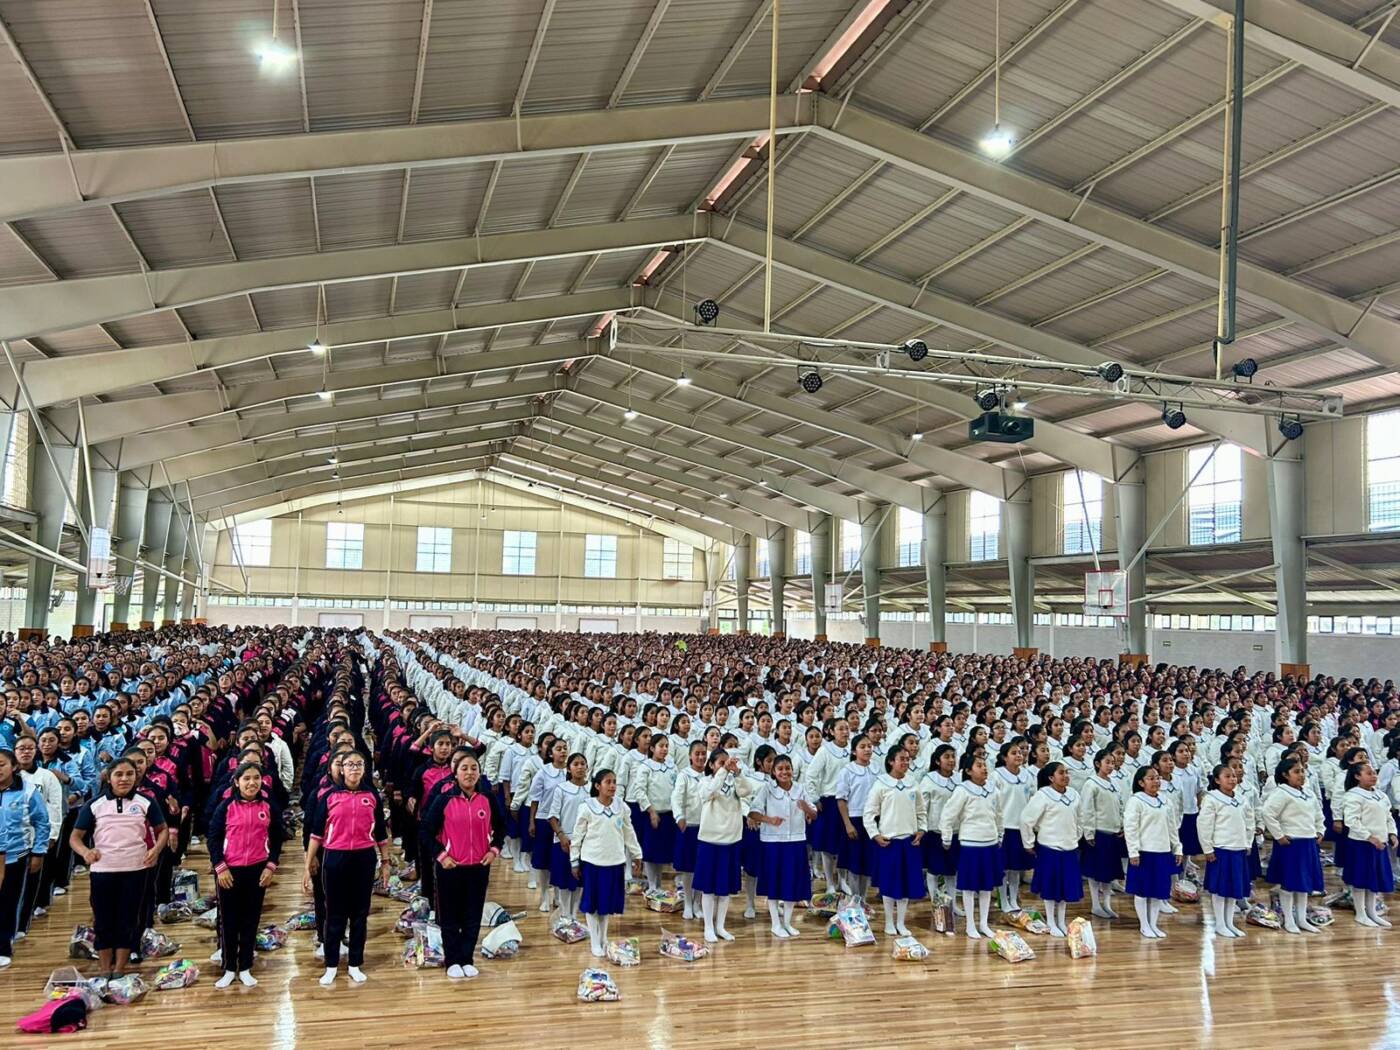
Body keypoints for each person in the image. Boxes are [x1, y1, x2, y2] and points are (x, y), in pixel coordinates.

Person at [69, 756, 167, 978]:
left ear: (136, 776)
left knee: (129, 919)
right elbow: (75, 837)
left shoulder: (145, 802)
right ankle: (105, 969)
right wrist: (86, 852)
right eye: (119, 774)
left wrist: (156, 850)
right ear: (109, 778)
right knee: (103, 919)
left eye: (129, 774)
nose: (124, 779)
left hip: (136, 870)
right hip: (103, 871)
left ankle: (120, 969)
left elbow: (162, 829)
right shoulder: (94, 804)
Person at [304, 750, 390, 985]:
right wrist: (307, 865)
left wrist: (386, 862)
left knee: (360, 915)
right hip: (335, 858)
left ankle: (355, 963)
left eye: (359, 764)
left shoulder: (372, 796)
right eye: (349, 765)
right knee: (334, 914)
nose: (354, 769)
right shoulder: (329, 796)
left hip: (364, 858)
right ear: (341, 769)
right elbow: (315, 834)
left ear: (364, 769)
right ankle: (331, 965)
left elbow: (381, 833)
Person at [421, 753, 505, 978]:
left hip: (478, 867)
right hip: (451, 867)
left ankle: (467, 958)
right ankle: (452, 960)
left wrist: (494, 850)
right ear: (455, 774)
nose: (469, 773)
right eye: (464, 768)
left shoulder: (487, 799)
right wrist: (442, 856)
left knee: (472, 914)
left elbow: (501, 827)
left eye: (474, 768)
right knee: (450, 915)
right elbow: (426, 831)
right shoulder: (444, 799)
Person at [207, 761, 284, 988]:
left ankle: (246, 966)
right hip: (229, 871)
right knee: (229, 922)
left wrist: (271, 866)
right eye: (246, 779)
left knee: (251, 919)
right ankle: (230, 968)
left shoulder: (269, 807)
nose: (252, 783)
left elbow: (277, 839)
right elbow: (213, 838)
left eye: (256, 778)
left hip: (258, 871)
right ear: (237, 782)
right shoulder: (226, 807)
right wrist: (220, 866)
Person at [569, 770, 642, 958]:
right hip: (593, 862)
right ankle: (595, 941)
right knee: (592, 904)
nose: (612, 786)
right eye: (608, 782)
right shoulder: (587, 807)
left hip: (615, 861)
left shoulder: (621, 807)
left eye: (614, 782)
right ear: (597, 786)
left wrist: (636, 854)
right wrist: (574, 860)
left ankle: (603, 938)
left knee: (606, 905)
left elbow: (629, 832)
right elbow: (577, 836)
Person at [694, 748, 757, 943]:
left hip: (731, 839)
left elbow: (747, 790)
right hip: (710, 840)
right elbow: (709, 793)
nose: (726, 766)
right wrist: (722, 771)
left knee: (725, 887)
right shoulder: (704, 782)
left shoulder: (734, 782)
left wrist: (737, 773)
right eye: (720, 763)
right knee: (708, 888)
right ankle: (708, 927)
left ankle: (720, 926)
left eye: (727, 763)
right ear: (711, 765)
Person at [864, 746, 926, 937]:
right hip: (889, 843)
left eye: (908, 759)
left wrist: (921, 830)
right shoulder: (881, 784)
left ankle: (901, 922)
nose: (906, 762)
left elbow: (921, 811)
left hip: (909, 842)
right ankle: (889, 922)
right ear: (891, 761)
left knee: (906, 884)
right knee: (890, 884)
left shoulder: (913, 784)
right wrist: (875, 835)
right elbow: (869, 813)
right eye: (902, 759)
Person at [939, 753, 1002, 939]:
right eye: (979, 765)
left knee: (987, 886)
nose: (984, 768)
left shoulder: (994, 790)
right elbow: (948, 815)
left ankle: (983, 923)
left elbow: (999, 815)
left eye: (985, 765)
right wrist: (947, 837)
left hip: (990, 842)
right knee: (969, 886)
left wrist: (1000, 833)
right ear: (968, 771)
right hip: (970, 843)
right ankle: (970, 925)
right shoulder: (963, 790)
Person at [752, 754, 815, 939]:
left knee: (791, 883)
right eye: (780, 769)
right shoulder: (766, 789)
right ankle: (775, 924)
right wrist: (769, 819)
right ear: (773, 772)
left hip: (795, 841)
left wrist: (807, 809)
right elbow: (753, 812)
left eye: (787, 768)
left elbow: (814, 815)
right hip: (772, 842)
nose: (784, 772)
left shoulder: (801, 789)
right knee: (774, 883)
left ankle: (787, 923)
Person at [1261, 756, 1326, 934]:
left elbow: (1318, 815)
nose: (1301, 775)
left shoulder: (1308, 792)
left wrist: (1320, 830)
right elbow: (1267, 813)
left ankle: (1302, 918)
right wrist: (1279, 836)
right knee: (1288, 883)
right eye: (1296, 772)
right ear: (1285, 774)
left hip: (1308, 843)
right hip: (1291, 844)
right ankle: (1289, 919)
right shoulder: (1281, 793)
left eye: (1302, 771)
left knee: (1304, 883)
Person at [1019, 761, 1082, 937]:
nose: (1065, 776)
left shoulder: (1074, 794)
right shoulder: (1043, 795)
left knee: (1065, 888)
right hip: (1050, 848)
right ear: (1051, 777)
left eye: (1067, 772)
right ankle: (1051, 921)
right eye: (1061, 773)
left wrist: (1076, 836)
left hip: (1069, 849)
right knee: (1050, 887)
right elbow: (1026, 820)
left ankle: (1061, 921)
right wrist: (1029, 843)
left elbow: (1080, 818)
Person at [0, 748, 49, 966]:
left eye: (1, 764)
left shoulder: (27, 792)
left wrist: (38, 851)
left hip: (15, 856)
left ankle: (3, 947)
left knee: (8, 903)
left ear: (14, 767)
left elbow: (42, 822)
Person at [1123, 766, 1182, 940]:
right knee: (1142, 890)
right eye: (1151, 778)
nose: (1156, 781)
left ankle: (1153, 924)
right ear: (1141, 782)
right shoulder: (1136, 801)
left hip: (1162, 851)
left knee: (1157, 890)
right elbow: (1131, 828)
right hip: (1144, 852)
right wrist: (1133, 851)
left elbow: (1172, 827)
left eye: (1157, 778)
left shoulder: (1165, 801)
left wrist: (1177, 847)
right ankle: (1144, 925)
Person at [1198, 763, 1252, 938]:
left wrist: (1248, 843)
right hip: (1221, 849)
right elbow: (1204, 825)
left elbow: (1249, 822)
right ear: (1217, 780)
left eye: (1234, 776)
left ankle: (1229, 923)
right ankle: (1219, 923)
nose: (1232, 779)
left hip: (1238, 848)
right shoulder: (1212, 799)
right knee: (1220, 889)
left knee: (1233, 889)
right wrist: (1207, 848)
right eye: (1227, 776)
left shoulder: (1242, 799)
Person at [1341, 761, 1398, 928]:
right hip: (1361, 844)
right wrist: (1369, 837)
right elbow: (1352, 821)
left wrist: (1392, 833)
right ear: (1357, 776)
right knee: (1361, 879)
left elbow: (1388, 817)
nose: (1374, 775)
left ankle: (1372, 912)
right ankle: (1360, 913)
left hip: (1379, 843)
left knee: (1374, 879)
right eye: (1369, 773)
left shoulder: (1381, 795)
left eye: (1374, 772)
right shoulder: (1353, 796)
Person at [1078, 748, 1126, 920]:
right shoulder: (1091, 784)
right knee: (1095, 871)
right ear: (1098, 764)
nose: (1110, 766)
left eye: (1113, 763)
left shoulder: (1114, 783)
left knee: (1108, 872)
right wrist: (1089, 833)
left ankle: (1106, 903)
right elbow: (1087, 810)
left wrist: (1121, 825)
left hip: (1112, 833)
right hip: (1098, 833)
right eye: (1107, 762)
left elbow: (1120, 805)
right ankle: (1095, 904)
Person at [543, 752, 589, 923]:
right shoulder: (561, 789)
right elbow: (552, 816)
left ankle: (574, 914)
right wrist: (561, 836)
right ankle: (564, 914)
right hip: (564, 840)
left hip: (585, 841)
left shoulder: (591, 789)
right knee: (563, 880)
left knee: (579, 881)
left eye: (582, 764)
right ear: (569, 768)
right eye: (575, 764)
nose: (579, 767)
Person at [834, 733, 876, 904]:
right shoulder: (847, 771)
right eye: (862, 747)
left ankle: (863, 900)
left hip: (872, 820)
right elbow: (841, 800)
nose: (867, 749)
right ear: (854, 751)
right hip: (855, 820)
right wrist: (848, 824)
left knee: (867, 865)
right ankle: (854, 900)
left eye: (869, 746)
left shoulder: (877, 769)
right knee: (854, 865)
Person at [670, 740, 707, 920]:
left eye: (703, 753)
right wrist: (679, 817)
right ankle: (687, 903)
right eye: (697, 753)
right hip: (688, 826)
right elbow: (676, 798)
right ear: (690, 756)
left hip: (707, 828)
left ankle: (698, 902)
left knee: (702, 867)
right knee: (687, 868)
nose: (700, 757)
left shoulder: (711, 775)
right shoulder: (683, 775)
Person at [919, 744, 960, 906]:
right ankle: (935, 903)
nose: (951, 760)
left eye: (953, 756)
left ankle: (952, 904)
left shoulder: (959, 778)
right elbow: (922, 807)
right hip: (935, 831)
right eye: (947, 757)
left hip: (956, 830)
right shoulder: (929, 780)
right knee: (934, 869)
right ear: (937, 760)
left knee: (952, 871)